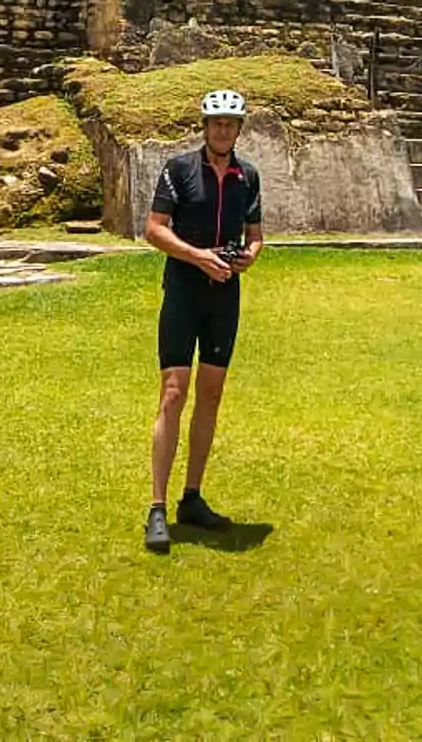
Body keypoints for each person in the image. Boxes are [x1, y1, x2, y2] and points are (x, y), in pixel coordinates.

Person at [142, 87, 263, 553]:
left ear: (238, 129)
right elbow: (154, 228)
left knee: (210, 395)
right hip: (184, 291)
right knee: (173, 393)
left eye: (230, 124)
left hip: (224, 296)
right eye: (215, 123)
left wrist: (247, 256)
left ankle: (191, 497)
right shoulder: (179, 170)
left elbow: (255, 235)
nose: (222, 130)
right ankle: (157, 506)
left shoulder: (246, 177)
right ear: (204, 126)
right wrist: (198, 258)